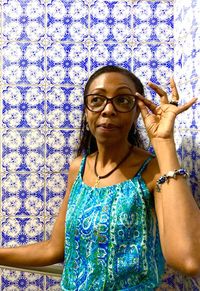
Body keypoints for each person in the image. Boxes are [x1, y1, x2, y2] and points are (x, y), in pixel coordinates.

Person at [0, 65, 200, 290]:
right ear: (87, 111)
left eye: (123, 100)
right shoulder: (79, 167)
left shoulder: (153, 171)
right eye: (97, 100)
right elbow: (54, 249)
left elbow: (188, 260)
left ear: (137, 113)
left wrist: (163, 142)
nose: (108, 109)